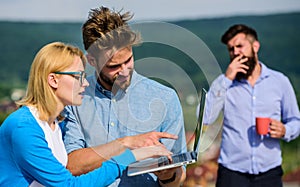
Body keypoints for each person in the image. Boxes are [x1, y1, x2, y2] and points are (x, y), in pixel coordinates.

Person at [0, 42, 173, 187]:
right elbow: (69, 185)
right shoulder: (24, 128)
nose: (85, 84)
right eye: (78, 76)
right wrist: (130, 156)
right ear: (53, 80)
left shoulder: (54, 125)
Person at [61, 6, 187, 187]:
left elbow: (178, 179)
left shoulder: (165, 98)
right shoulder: (75, 100)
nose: (125, 71)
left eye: (128, 60)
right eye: (113, 66)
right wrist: (126, 144)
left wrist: (168, 175)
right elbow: (71, 165)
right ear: (92, 61)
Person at [203, 24, 300, 187]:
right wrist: (226, 80)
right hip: (231, 174)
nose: (235, 53)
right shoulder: (223, 83)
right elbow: (205, 117)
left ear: (255, 46)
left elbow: (296, 121)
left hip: (270, 173)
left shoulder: (280, 81)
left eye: (240, 46)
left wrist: (285, 130)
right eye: (231, 49)